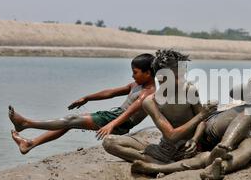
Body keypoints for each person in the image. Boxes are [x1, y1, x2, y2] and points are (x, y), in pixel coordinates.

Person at [130, 50, 251, 180]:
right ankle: (223, 146)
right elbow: (234, 93)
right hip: (213, 131)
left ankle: (163, 168)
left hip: (246, 146)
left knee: (238, 150)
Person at [8, 53, 156, 154]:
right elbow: (110, 92)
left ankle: (27, 124)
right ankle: (29, 144)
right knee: (70, 123)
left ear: (148, 73)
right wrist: (87, 98)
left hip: (120, 122)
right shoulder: (136, 85)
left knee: (71, 120)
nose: (132, 75)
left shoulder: (149, 91)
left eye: (135, 72)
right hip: (114, 116)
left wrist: (112, 124)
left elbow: (131, 111)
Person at [102, 49, 217, 164]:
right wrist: (202, 114)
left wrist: (194, 139)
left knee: (206, 156)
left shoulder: (188, 90)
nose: (182, 79)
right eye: (176, 76)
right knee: (109, 142)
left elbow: (202, 122)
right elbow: (171, 135)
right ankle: (161, 163)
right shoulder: (150, 102)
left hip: (188, 149)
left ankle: (159, 163)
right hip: (164, 149)